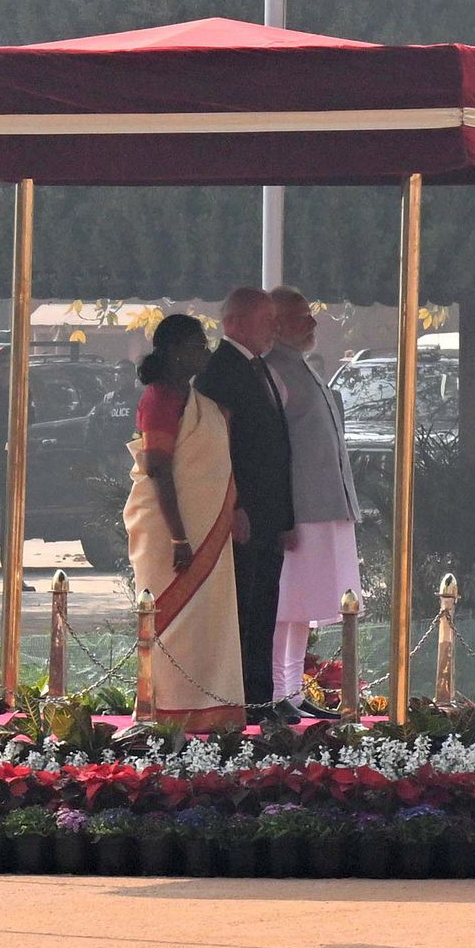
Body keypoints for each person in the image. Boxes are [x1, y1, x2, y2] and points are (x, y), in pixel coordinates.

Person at [121, 313, 247, 729]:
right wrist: (179, 538)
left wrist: (234, 509)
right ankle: (169, 709)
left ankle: (208, 710)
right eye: (197, 345)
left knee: (208, 620)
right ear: (175, 351)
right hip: (169, 532)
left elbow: (215, 467)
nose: (205, 353)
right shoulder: (159, 399)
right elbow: (158, 469)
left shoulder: (199, 402)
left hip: (208, 528)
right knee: (170, 617)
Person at [197, 288, 300, 714]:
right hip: (242, 513)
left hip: (269, 513)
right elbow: (219, 447)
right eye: (265, 319)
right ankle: (238, 699)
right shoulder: (220, 370)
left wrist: (286, 517)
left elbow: (276, 445)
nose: (274, 327)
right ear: (235, 322)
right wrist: (233, 505)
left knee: (263, 609)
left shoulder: (259, 368)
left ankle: (260, 697)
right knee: (242, 608)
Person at [266, 296, 362, 708]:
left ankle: (294, 688)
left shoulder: (301, 365)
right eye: (302, 318)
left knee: (304, 603)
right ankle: (275, 692)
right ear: (276, 323)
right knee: (284, 604)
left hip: (325, 505)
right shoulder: (273, 369)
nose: (312, 325)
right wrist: (281, 513)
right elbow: (273, 449)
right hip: (298, 508)